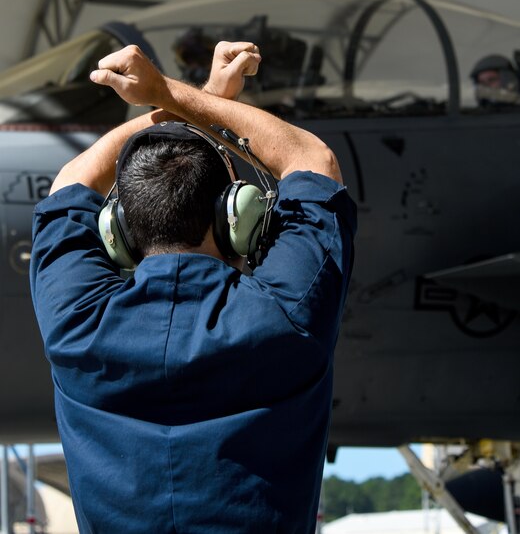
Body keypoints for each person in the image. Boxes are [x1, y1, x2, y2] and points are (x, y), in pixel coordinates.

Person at [30, 40, 357, 534]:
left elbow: (73, 180)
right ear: (236, 221)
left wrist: (183, 100)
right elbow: (313, 159)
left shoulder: (74, 325)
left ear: (118, 232)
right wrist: (185, 98)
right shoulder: (287, 316)